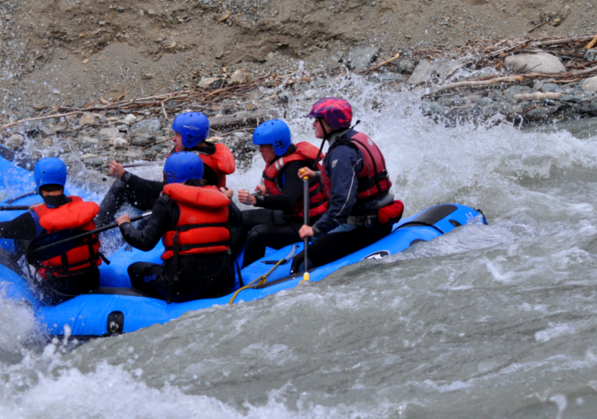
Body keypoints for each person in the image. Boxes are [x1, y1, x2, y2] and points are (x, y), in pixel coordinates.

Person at [0, 157, 103, 305]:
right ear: (63, 182)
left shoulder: (34, 219)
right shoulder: (83, 209)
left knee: (12, 243)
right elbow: (63, 209)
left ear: (39, 183)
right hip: (92, 281)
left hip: (57, 290)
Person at [291, 98, 404, 273]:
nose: (313, 124)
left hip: (364, 226)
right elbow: (353, 177)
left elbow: (342, 205)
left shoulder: (342, 153)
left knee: (300, 262)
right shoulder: (355, 138)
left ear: (330, 123)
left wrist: (316, 229)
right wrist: (317, 175)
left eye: (317, 119)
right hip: (373, 217)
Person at [116, 151, 242, 303]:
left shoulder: (167, 201)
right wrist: (229, 198)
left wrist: (125, 225)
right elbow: (238, 221)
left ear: (171, 176)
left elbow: (145, 242)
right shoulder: (221, 198)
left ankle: (157, 307)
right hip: (223, 282)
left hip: (184, 286)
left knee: (135, 270)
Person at [96, 111, 236, 226]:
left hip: (185, 210)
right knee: (122, 185)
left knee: (126, 185)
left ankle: (127, 247)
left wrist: (126, 176)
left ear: (190, 137)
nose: (173, 139)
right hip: (173, 200)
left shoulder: (200, 165)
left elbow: (165, 189)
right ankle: (97, 226)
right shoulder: (185, 150)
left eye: (177, 135)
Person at [229, 119, 328, 268]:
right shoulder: (280, 159)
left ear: (278, 145)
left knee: (258, 234)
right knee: (241, 218)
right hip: (289, 216)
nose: (260, 150)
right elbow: (286, 189)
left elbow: (289, 200)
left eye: (263, 146)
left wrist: (256, 200)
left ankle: (246, 275)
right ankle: (228, 261)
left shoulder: (296, 166)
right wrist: (267, 191)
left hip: (306, 224)